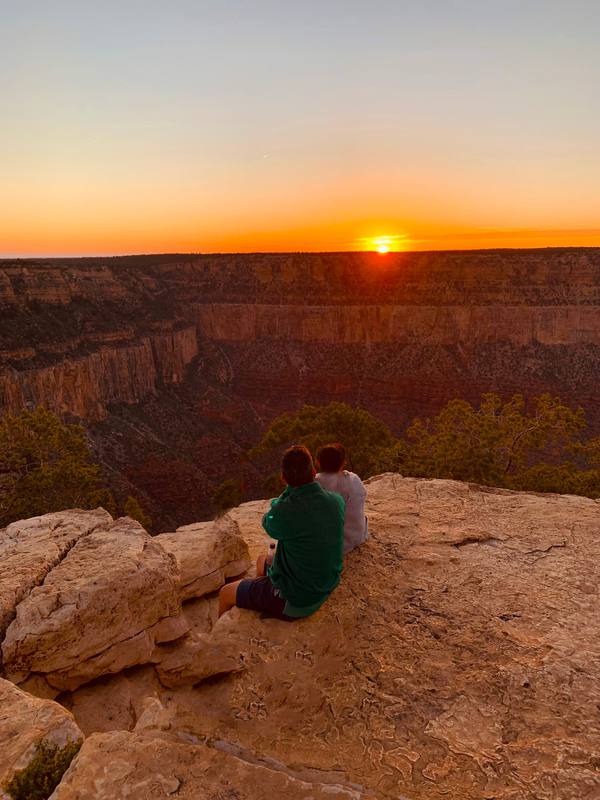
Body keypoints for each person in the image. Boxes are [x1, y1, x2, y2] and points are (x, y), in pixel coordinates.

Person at [218, 445, 345, 620]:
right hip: (326, 583)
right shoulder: (336, 501)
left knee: (225, 593)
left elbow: (267, 522)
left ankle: (220, 642)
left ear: (283, 479)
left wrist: (288, 492)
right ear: (314, 471)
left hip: (296, 600)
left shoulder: (284, 512)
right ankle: (260, 590)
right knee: (262, 560)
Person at [315, 443, 368, 554]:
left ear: (318, 462)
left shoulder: (315, 483)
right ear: (343, 462)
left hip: (326, 543)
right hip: (355, 538)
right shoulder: (354, 479)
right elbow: (362, 496)